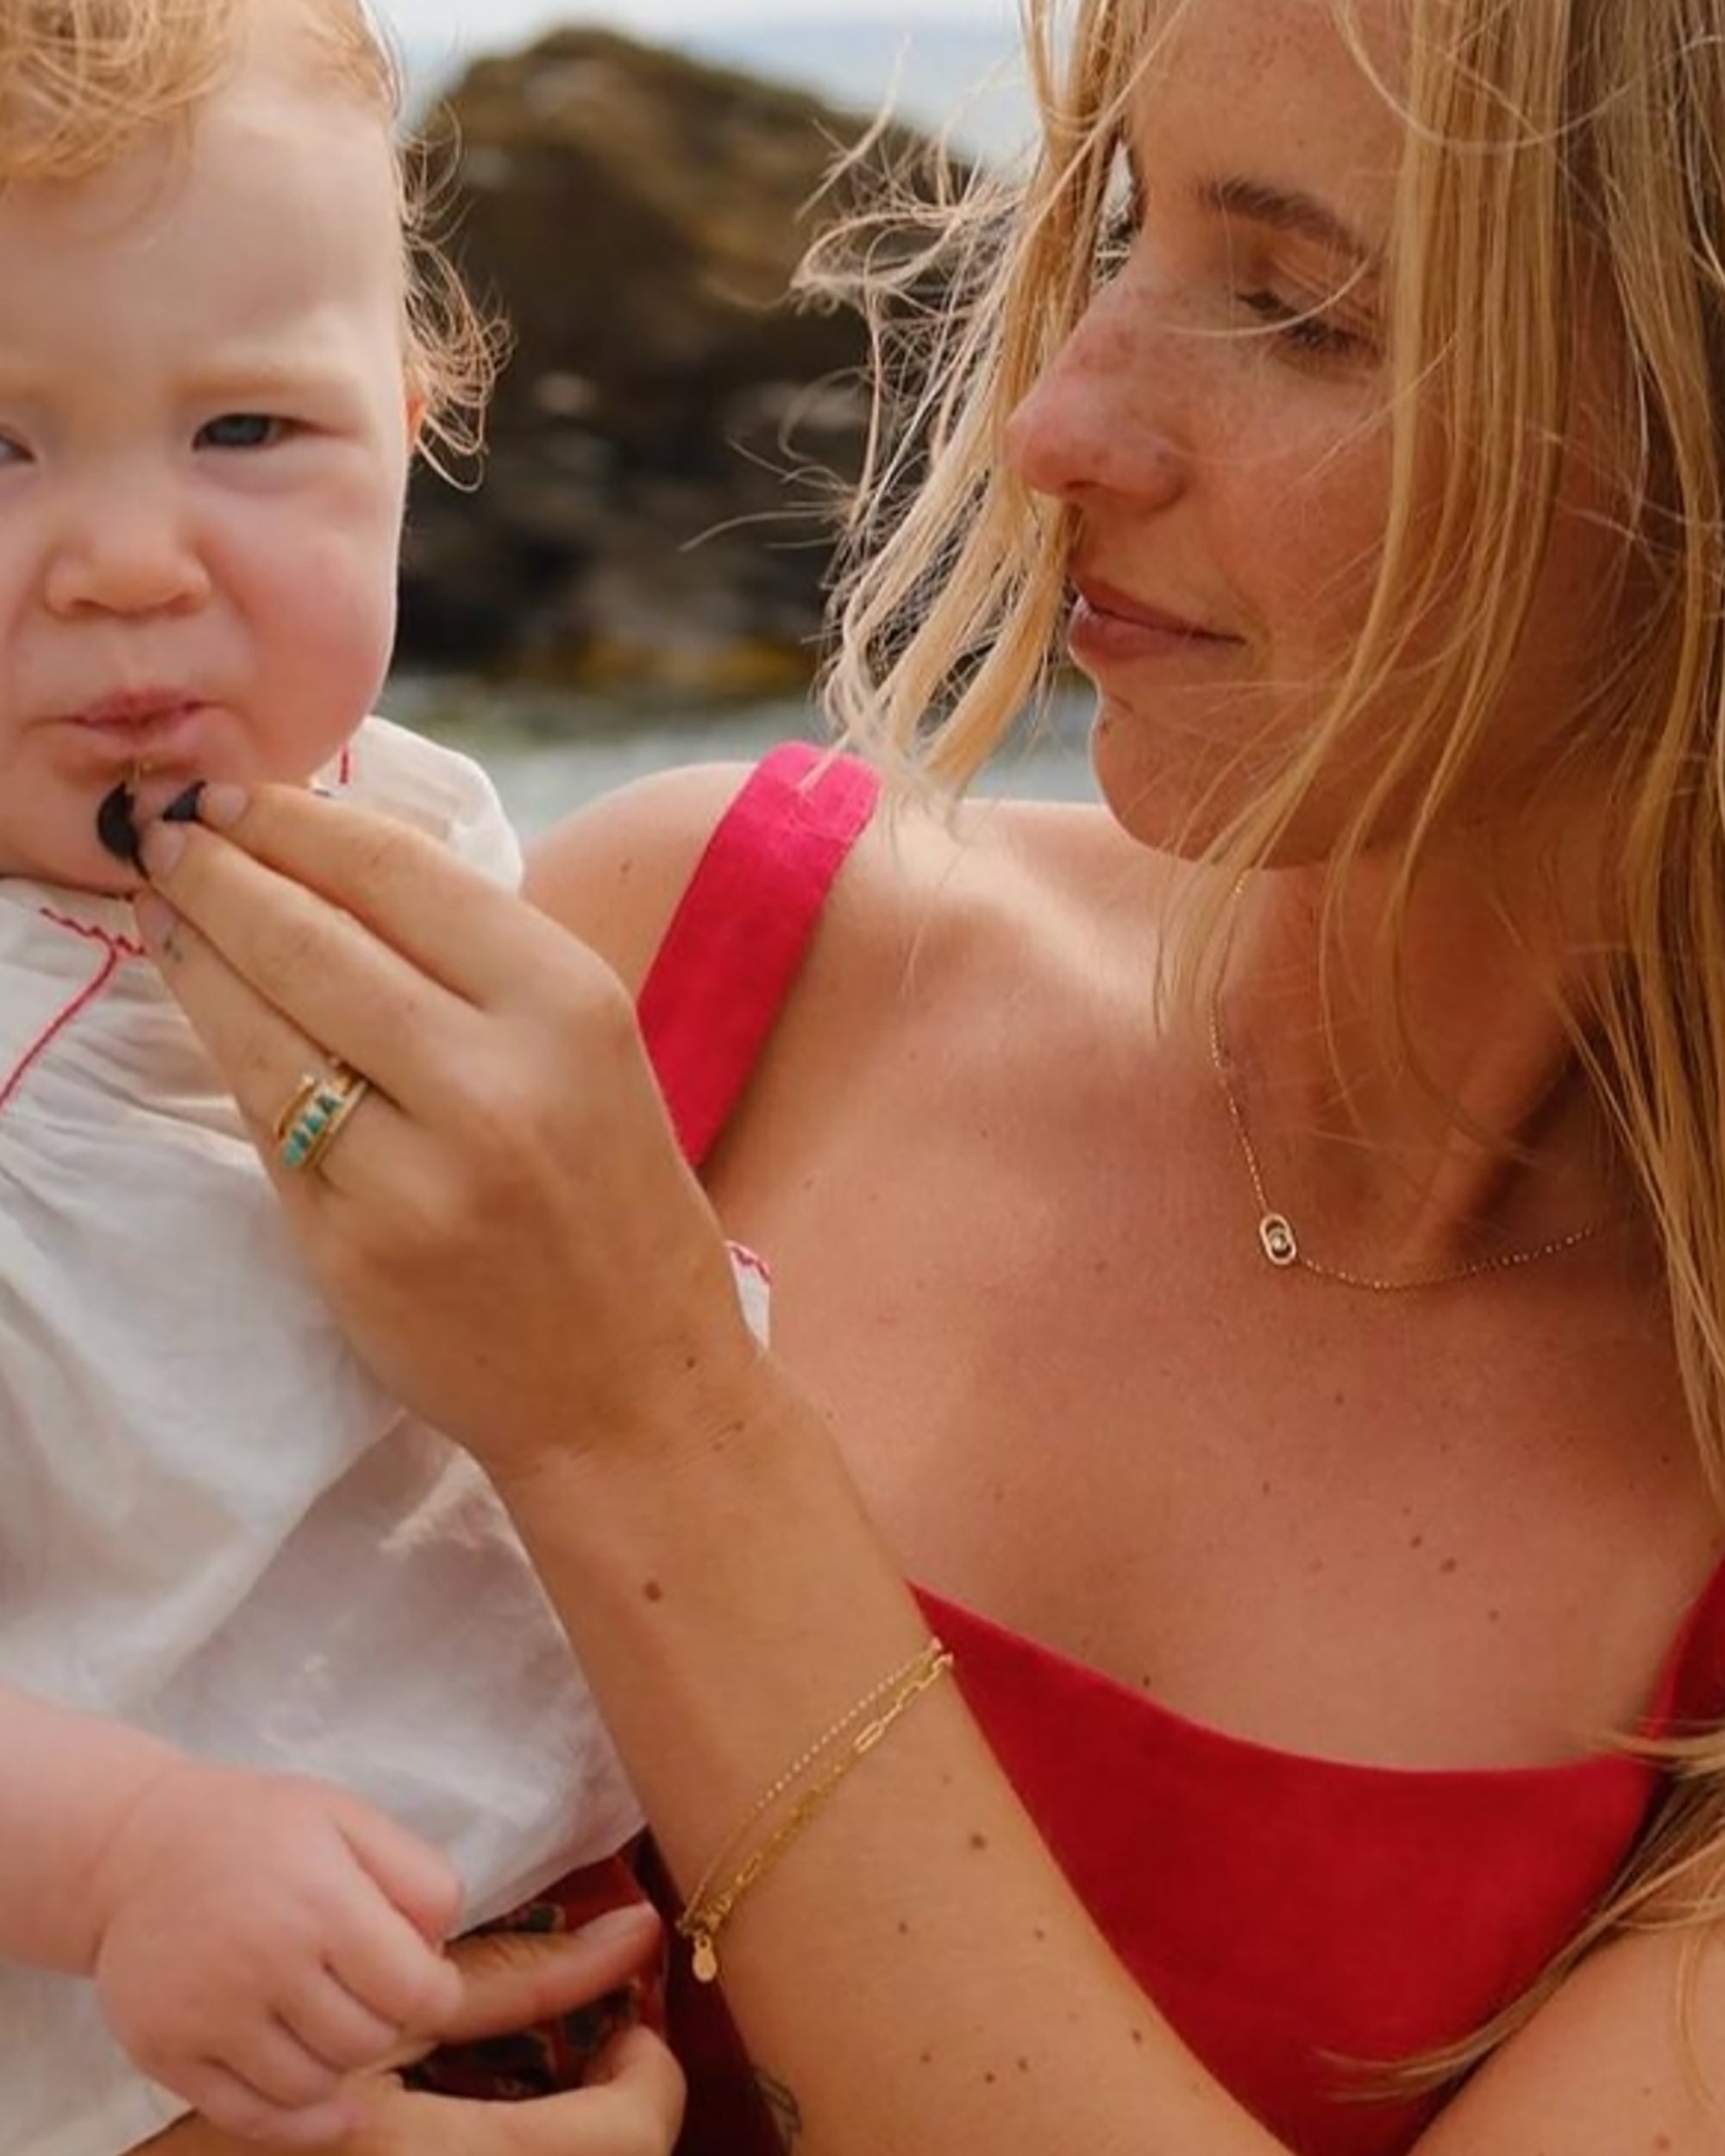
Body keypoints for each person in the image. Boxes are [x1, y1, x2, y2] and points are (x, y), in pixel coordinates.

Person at [125, 0, 1725, 2149]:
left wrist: (640, 1417)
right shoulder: (691, 971)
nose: (1059, 419)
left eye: (1298, 310)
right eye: (1123, 237)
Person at [0, 2, 720, 2150]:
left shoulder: (418, 835)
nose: (128, 556)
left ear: (408, 425)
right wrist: (126, 1852)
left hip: (540, 1971)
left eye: (247, 427)